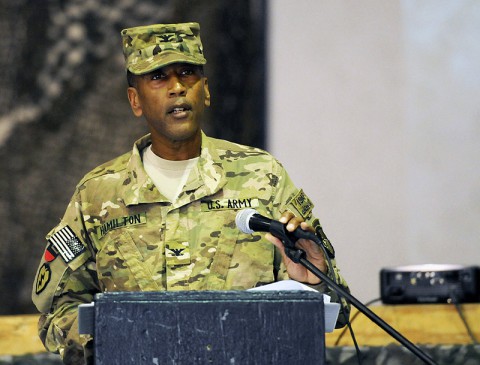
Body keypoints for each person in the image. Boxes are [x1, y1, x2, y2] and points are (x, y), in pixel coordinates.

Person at [32, 22, 350, 365]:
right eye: (158, 77)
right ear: (135, 100)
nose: (177, 88)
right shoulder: (97, 194)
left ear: (206, 91)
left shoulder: (262, 176)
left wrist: (315, 282)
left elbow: (339, 309)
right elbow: (56, 309)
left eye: (188, 73)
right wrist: (114, 344)